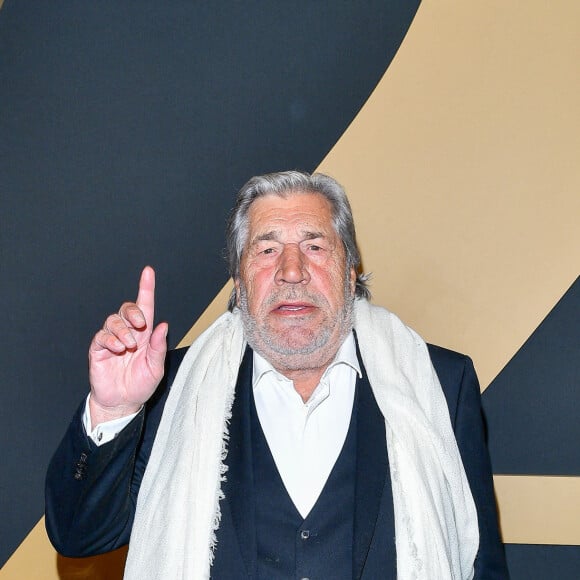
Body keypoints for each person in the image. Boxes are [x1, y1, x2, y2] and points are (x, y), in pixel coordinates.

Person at [45, 171, 509, 579]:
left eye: (315, 245)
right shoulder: (170, 388)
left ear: (351, 273)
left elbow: (481, 563)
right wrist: (114, 409)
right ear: (239, 281)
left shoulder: (440, 383)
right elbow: (78, 536)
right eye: (267, 249)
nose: (291, 271)